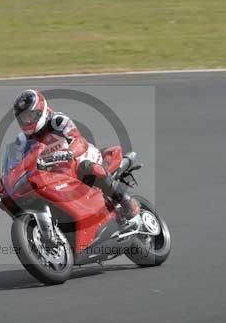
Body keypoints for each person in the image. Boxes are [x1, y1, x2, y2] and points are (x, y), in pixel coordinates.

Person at [12, 89, 141, 232]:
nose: (28, 121)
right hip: (54, 173)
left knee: (87, 167)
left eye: (30, 115)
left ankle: (127, 202)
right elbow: (19, 164)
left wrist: (68, 153)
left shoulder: (57, 121)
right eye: (24, 118)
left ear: (39, 110)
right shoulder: (22, 140)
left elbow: (80, 141)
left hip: (80, 157)